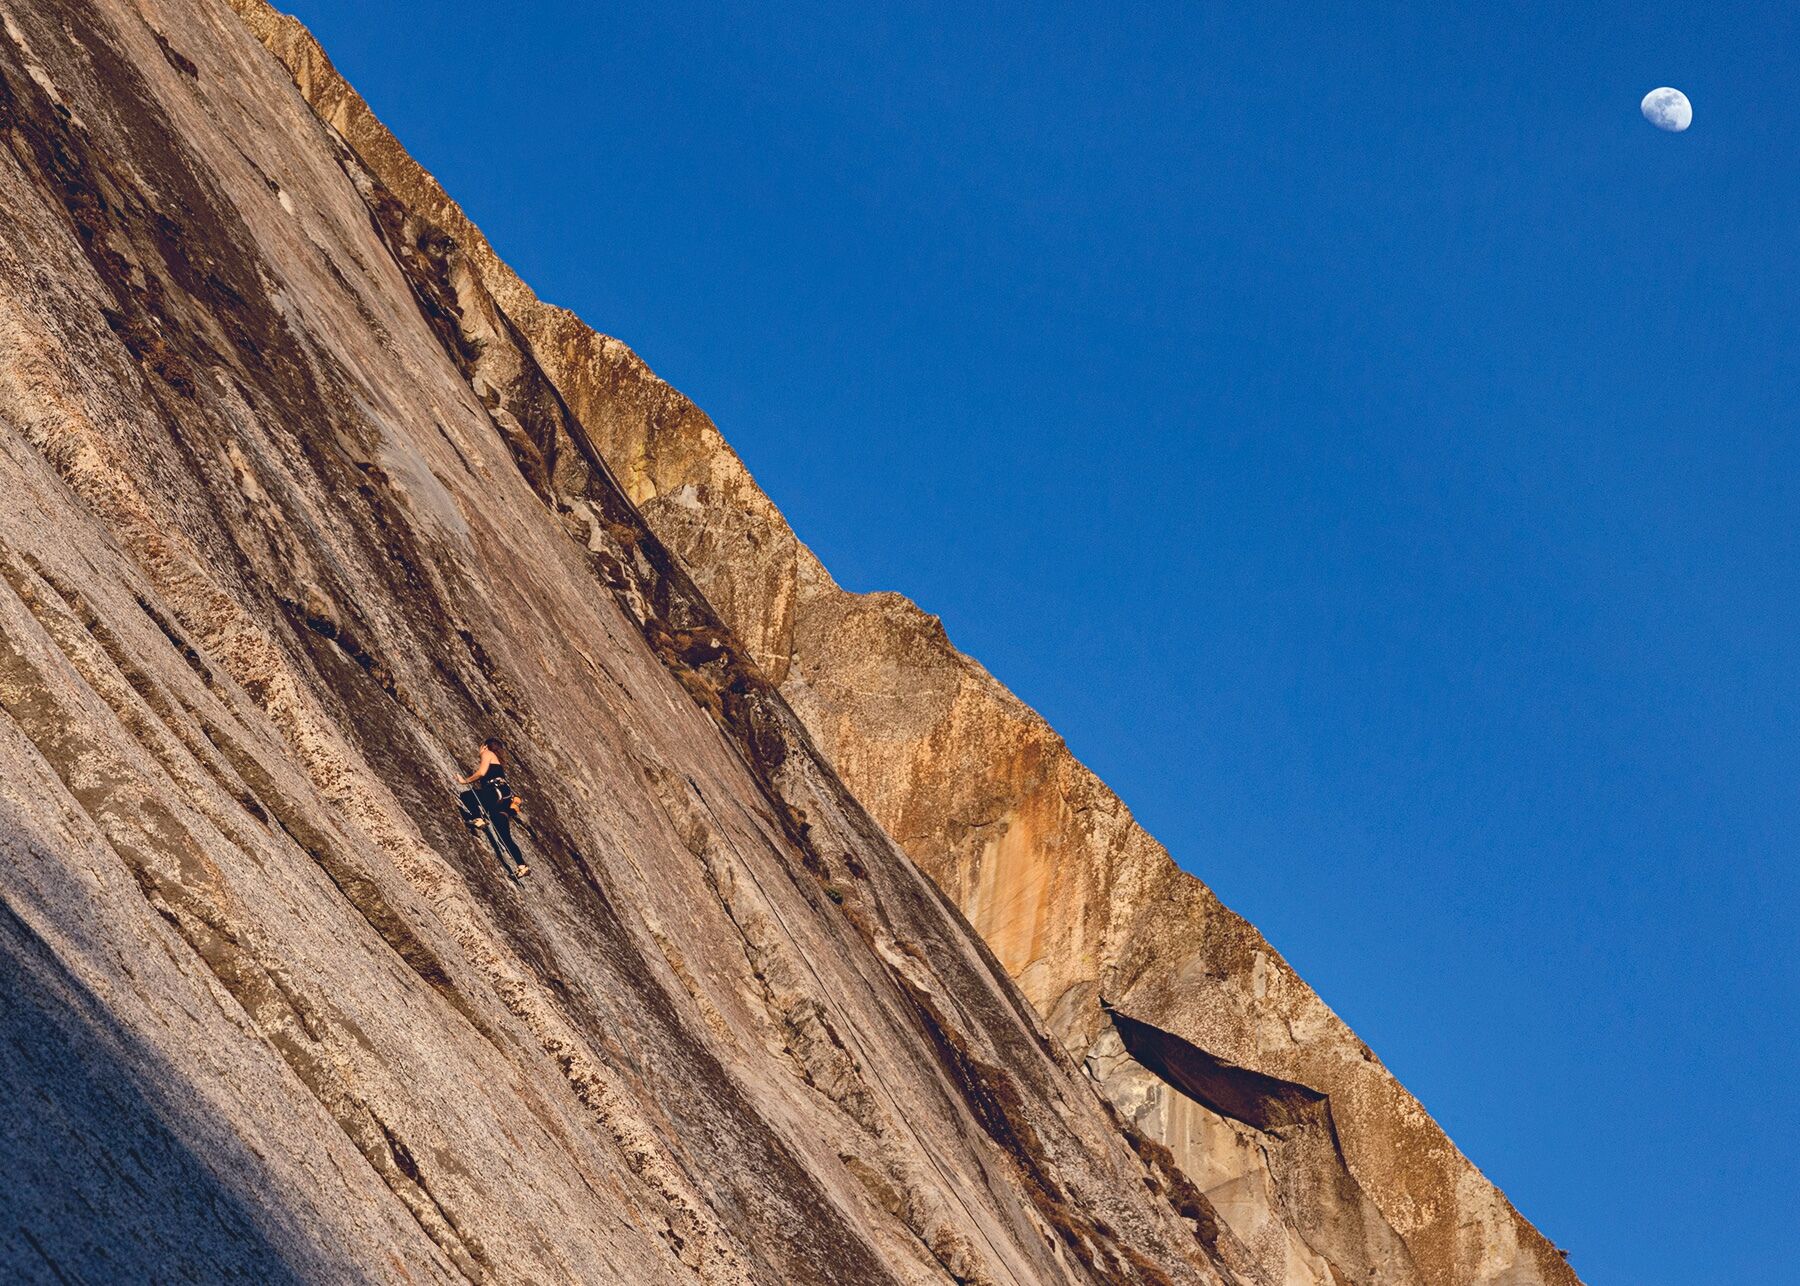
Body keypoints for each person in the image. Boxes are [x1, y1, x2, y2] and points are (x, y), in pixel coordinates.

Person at [458, 737, 529, 879]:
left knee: (467, 796)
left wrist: (464, 781)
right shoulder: (499, 763)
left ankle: (478, 818)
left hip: (494, 792)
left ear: (484, 746)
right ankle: (522, 866)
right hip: (503, 799)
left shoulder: (488, 753)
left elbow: (481, 773)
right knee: (504, 837)